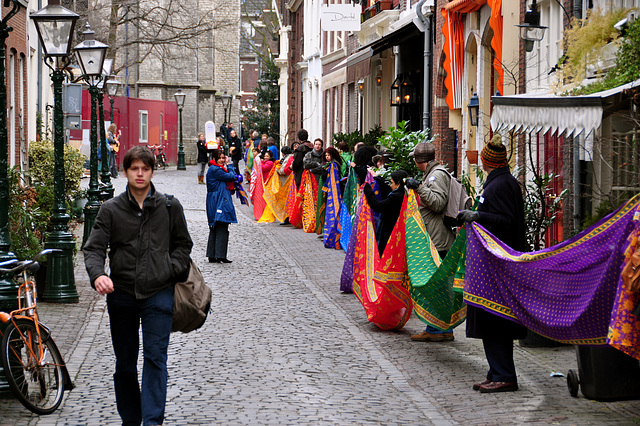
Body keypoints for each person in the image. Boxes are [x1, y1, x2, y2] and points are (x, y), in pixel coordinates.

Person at [83, 146, 193, 426]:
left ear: (153, 171)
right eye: (135, 169)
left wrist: (171, 269)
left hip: (159, 293)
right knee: (125, 364)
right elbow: (94, 248)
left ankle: (152, 421)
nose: (140, 174)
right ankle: (131, 419)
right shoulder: (111, 209)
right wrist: (98, 275)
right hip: (121, 295)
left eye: (145, 169)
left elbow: (183, 245)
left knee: (156, 358)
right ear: (126, 172)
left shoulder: (170, 206)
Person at [456, 135, 527, 394]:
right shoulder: (499, 182)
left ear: (487, 161)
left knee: (494, 318)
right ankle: (495, 371)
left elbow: (506, 221)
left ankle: (505, 374)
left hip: (497, 266)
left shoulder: (501, 186)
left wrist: (478, 215)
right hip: (491, 265)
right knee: (489, 318)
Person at [405, 141, 456, 343]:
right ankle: (441, 329)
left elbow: (437, 203)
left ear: (420, 161)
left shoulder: (438, 174)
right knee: (438, 286)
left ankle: (436, 329)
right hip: (435, 238)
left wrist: (418, 187)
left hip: (439, 240)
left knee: (433, 286)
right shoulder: (432, 174)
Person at [362, 170, 408, 256]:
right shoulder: (404, 192)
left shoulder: (396, 196)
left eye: (392, 183)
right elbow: (387, 189)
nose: (390, 185)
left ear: (398, 184)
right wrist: (377, 179)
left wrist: (368, 191)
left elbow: (378, 206)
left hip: (390, 230)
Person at [206, 149, 238, 263]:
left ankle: (213, 254)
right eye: (219, 157)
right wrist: (229, 165)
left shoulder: (214, 168)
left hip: (216, 199)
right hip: (218, 200)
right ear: (214, 158)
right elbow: (231, 176)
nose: (221, 160)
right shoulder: (216, 169)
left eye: (223, 157)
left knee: (216, 226)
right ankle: (220, 255)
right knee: (221, 226)